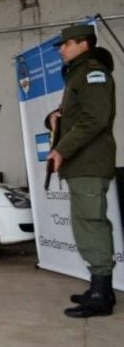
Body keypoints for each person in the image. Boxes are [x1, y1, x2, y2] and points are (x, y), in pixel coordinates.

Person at [45, 24, 117, 318]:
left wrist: (62, 149)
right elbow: (78, 115)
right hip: (81, 163)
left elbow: (96, 118)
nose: (61, 49)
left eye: (65, 44)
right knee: (85, 225)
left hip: (88, 162)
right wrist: (55, 117)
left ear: (83, 44)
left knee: (91, 223)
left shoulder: (91, 72)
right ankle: (99, 287)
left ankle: (101, 296)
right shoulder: (78, 73)